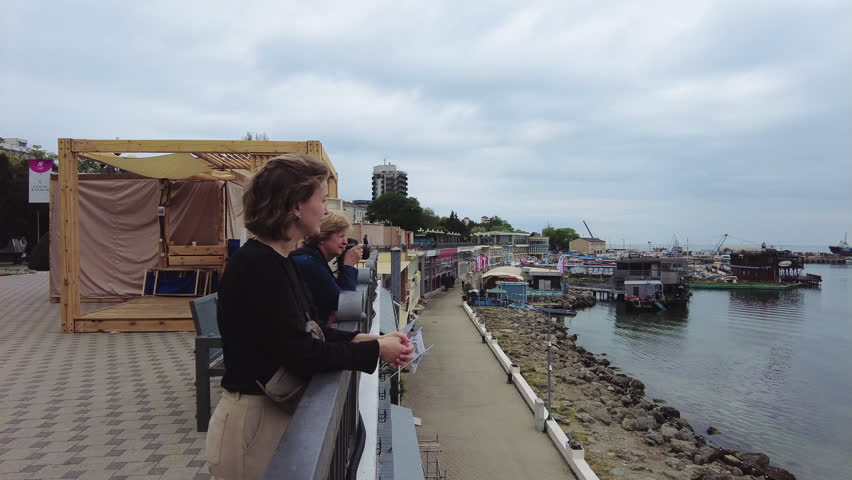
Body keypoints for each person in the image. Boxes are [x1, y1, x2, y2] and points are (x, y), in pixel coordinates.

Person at [207, 154, 413, 480]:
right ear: (295, 206)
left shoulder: (276, 260)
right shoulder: (260, 266)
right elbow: (302, 354)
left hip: (264, 417)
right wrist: (375, 351)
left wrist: (371, 339)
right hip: (253, 428)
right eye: (320, 199)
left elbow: (307, 332)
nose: (326, 209)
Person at [292, 212, 362, 325]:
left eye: (346, 236)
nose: (345, 242)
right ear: (321, 237)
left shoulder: (312, 259)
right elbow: (345, 303)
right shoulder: (309, 263)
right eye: (341, 236)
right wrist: (348, 265)